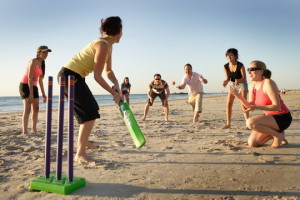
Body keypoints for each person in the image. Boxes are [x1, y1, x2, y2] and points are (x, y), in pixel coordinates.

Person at [57, 16, 123, 162]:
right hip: (69, 76)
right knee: (90, 112)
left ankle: (84, 142)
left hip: (76, 76)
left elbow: (109, 71)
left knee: (90, 110)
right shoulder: (102, 45)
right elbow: (98, 77)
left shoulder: (108, 46)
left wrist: (117, 86)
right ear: (119, 31)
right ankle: (80, 154)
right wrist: (114, 94)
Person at [230, 60, 292, 148]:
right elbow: (250, 105)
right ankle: (279, 133)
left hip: (282, 117)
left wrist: (256, 107)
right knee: (253, 143)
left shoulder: (268, 83)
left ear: (261, 71)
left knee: (250, 122)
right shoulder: (252, 86)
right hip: (269, 118)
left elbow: (277, 106)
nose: (248, 72)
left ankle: (277, 136)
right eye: (248, 69)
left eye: (252, 69)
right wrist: (239, 96)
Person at [19, 46, 51, 134]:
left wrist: (44, 94)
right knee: (28, 109)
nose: (46, 54)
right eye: (44, 52)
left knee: (36, 108)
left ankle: (34, 129)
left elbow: (40, 80)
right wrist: (31, 94)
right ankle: (25, 131)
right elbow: (29, 78)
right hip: (25, 85)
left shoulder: (42, 63)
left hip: (34, 86)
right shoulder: (33, 61)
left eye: (47, 53)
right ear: (38, 52)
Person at [222, 48, 249, 129]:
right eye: (227, 55)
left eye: (231, 55)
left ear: (235, 56)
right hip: (233, 84)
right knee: (228, 104)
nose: (229, 57)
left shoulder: (240, 65)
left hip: (242, 84)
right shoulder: (225, 66)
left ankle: (248, 124)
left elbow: (244, 78)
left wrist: (238, 80)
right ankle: (228, 124)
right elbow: (228, 78)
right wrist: (226, 81)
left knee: (243, 104)